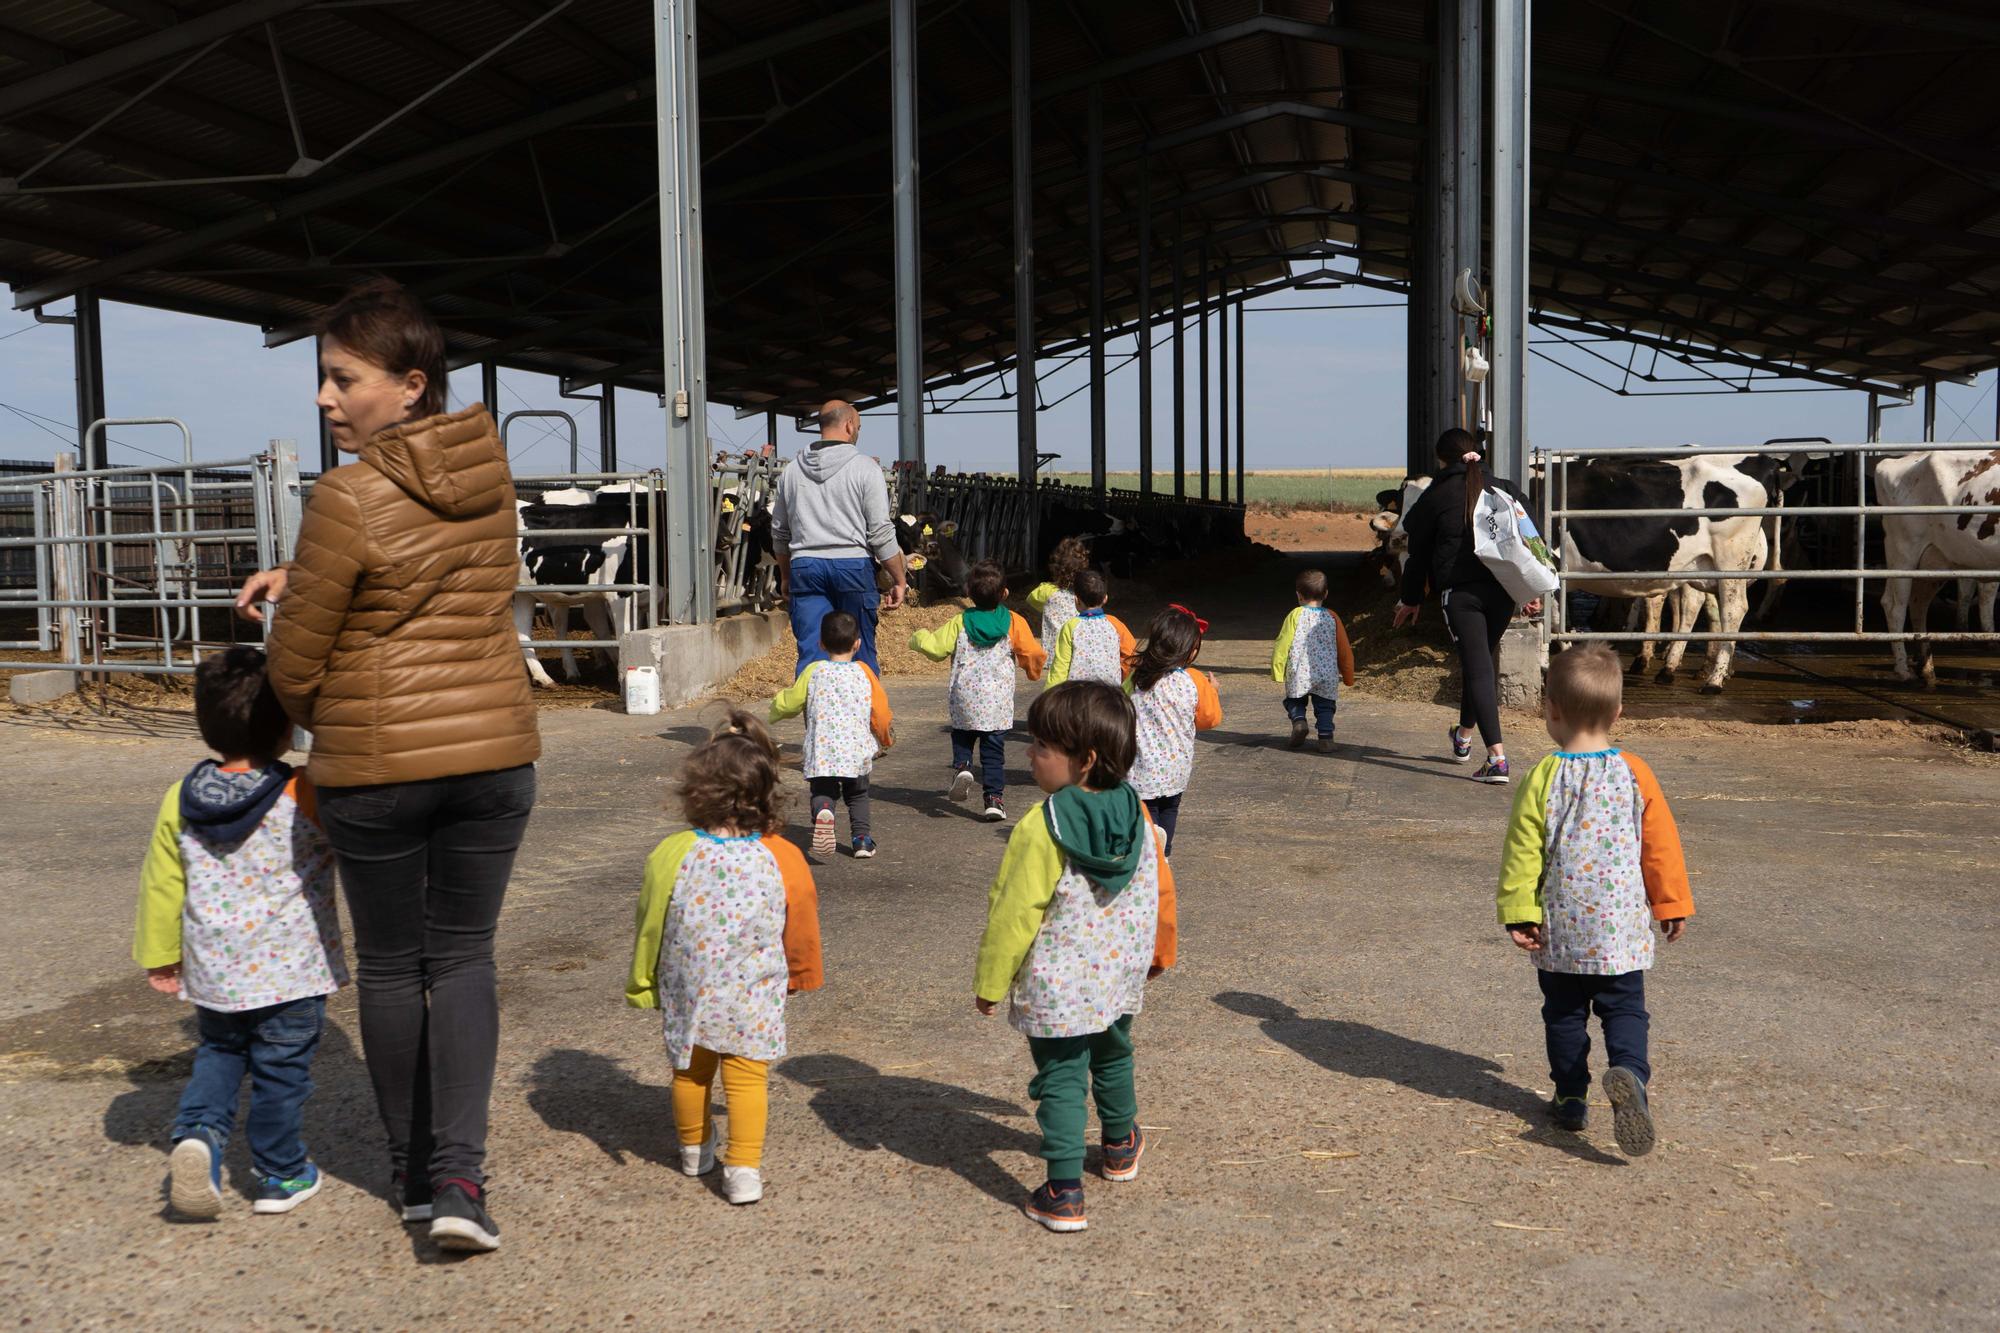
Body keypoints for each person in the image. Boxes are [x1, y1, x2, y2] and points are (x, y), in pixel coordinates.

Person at [235, 277, 540, 1254]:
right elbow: (441, 585)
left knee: (396, 963)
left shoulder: (347, 493)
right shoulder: (490, 474)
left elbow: (293, 664)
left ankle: (414, 1177)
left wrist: (337, 718)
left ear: (410, 386)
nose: (325, 398)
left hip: (379, 771)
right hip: (494, 749)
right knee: (463, 959)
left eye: (341, 378)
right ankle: (460, 1177)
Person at [134, 646, 347, 1220]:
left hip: (212, 970)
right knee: (281, 1074)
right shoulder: (304, 793)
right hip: (290, 973)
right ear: (286, 726)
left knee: (220, 1054)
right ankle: (279, 1174)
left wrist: (160, 955)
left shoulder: (181, 797)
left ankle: (199, 1137)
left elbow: (162, 880)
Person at [973, 682, 1177, 1233]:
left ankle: (1063, 1190)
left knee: (1061, 1076)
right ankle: (1119, 1145)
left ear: (1084, 761)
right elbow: (1160, 885)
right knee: (1114, 1054)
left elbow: (1014, 910)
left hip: (1059, 986)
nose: (1029, 754)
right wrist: (1162, 947)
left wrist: (991, 981)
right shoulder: (1137, 812)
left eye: (1041, 746)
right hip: (1118, 975)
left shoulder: (1043, 825)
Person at [1496, 643, 1692, 1158]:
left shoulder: (1544, 775)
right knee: (1625, 1009)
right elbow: (1660, 842)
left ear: (1551, 711)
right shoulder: (1635, 771)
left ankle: (1570, 1097)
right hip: (1619, 931)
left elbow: (1523, 848)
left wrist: (1519, 911)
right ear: (1619, 712)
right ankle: (1629, 1072)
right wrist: (1670, 903)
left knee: (1563, 1015)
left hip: (1561, 929)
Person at [627, 711, 823, 1206]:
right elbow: (800, 921)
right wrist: (800, 973)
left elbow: (651, 920)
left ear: (697, 792)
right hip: (753, 990)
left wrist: (643, 979)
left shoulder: (673, 852)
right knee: (747, 1075)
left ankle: (693, 1149)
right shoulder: (783, 855)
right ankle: (743, 1170)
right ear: (765, 794)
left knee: (690, 1071)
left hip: (688, 985)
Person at [1392, 427, 1542, 784]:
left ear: (1441, 459)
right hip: (1503, 592)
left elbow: (1418, 555)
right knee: (1481, 664)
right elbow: (1530, 537)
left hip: (1461, 595)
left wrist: (1411, 599)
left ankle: (1497, 760)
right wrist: (1530, 588)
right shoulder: (1505, 488)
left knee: (1477, 668)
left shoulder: (1436, 496)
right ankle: (1463, 737)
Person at [768, 399, 909, 674]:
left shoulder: (791, 471)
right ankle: (864, 715)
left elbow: (780, 532)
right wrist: (899, 578)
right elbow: (879, 532)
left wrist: (786, 575)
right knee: (860, 649)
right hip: (853, 566)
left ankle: (818, 714)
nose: (857, 431)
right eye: (858, 426)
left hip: (805, 565)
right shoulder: (865, 468)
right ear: (848, 425)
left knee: (811, 650)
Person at [908, 558, 1046, 823]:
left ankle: (962, 766)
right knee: (993, 753)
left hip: (965, 697)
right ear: (1005, 593)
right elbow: (1032, 653)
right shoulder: (1014, 622)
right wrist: (1033, 671)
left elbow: (936, 649)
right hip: (996, 703)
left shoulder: (960, 621)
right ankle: (994, 800)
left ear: (968, 593)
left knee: (962, 735)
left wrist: (918, 638)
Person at [768, 610, 893, 859]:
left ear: (821, 643)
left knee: (822, 790)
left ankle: (825, 810)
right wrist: (884, 737)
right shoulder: (864, 672)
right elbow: (880, 711)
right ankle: (862, 841)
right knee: (858, 795)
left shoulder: (814, 671)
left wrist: (774, 709)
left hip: (823, 750)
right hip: (855, 751)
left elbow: (790, 703)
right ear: (857, 643)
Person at [1124, 605, 1223, 856]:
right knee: (1169, 808)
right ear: (1191, 649)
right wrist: (1212, 691)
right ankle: (1163, 854)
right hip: (1175, 766)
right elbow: (1209, 720)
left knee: (1146, 810)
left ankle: (1147, 854)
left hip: (1140, 764)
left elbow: (1120, 706)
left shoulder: (1137, 675)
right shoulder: (1194, 679)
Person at [1271, 569, 1355, 753]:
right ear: (1326, 593)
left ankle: (1299, 721)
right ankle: (1326, 739)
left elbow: (1282, 643)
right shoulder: (1332, 617)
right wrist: (1348, 675)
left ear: (1298, 595)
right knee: (1325, 705)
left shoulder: (1295, 615)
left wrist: (1278, 670)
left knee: (1295, 700)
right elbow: (1344, 648)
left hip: (1299, 671)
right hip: (1327, 673)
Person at [1045, 570, 1137, 688]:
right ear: (1105, 599)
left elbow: (1060, 667)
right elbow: (1131, 654)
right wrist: (1123, 679)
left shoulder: (1070, 626)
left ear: (1076, 600)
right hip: (1110, 695)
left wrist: (1049, 695)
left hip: (1079, 695)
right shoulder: (1115, 624)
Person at [1025, 536, 1091, 659]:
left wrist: (1047, 608)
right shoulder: (1085, 593)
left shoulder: (1046, 591)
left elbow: (1031, 600)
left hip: (1054, 654)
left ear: (1055, 567)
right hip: (1079, 654)